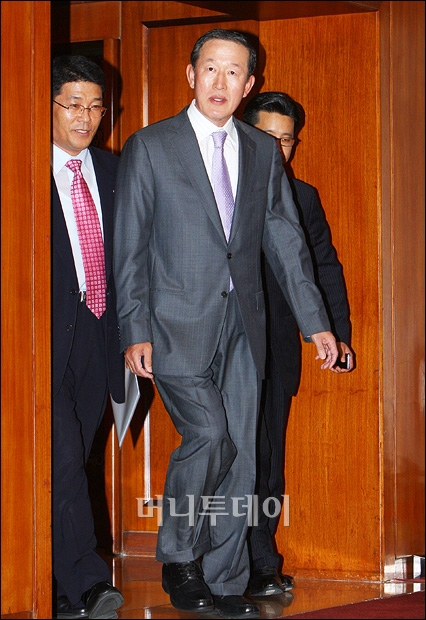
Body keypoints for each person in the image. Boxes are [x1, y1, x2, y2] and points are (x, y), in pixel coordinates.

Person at [113, 29, 339, 620]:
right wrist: (134, 328)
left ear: (249, 84)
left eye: (233, 72)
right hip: (173, 324)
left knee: (241, 456)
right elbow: (129, 246)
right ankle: (179, 558)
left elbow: (286, 240)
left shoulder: (261, 150)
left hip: (246, 324)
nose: (220, 81)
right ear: (191, 75)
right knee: (210, 434)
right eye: (210, 68)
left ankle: (224, 578)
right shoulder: (150, 146)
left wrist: (315, 323)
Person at [243, 91, 353, 597]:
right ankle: (213, 558)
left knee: (268, 460)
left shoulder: (303, 197)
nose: (276, 148)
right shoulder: (214, 187)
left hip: (276, 350)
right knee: (223, 455)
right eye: (266, 137)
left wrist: (336, 335)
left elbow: (324, 267)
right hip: (218, 348)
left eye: (285, 140)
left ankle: (261, 560)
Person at [51, 55, 125, 619]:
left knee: (78, 457)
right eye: (73, 104)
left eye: (96, 107)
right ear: (49, 106)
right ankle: (89, 580)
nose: (86, 117)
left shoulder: (116, 170)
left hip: (101, 331)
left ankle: (52, 576)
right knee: (64, 455)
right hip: (41, 335)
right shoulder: (21, 165)